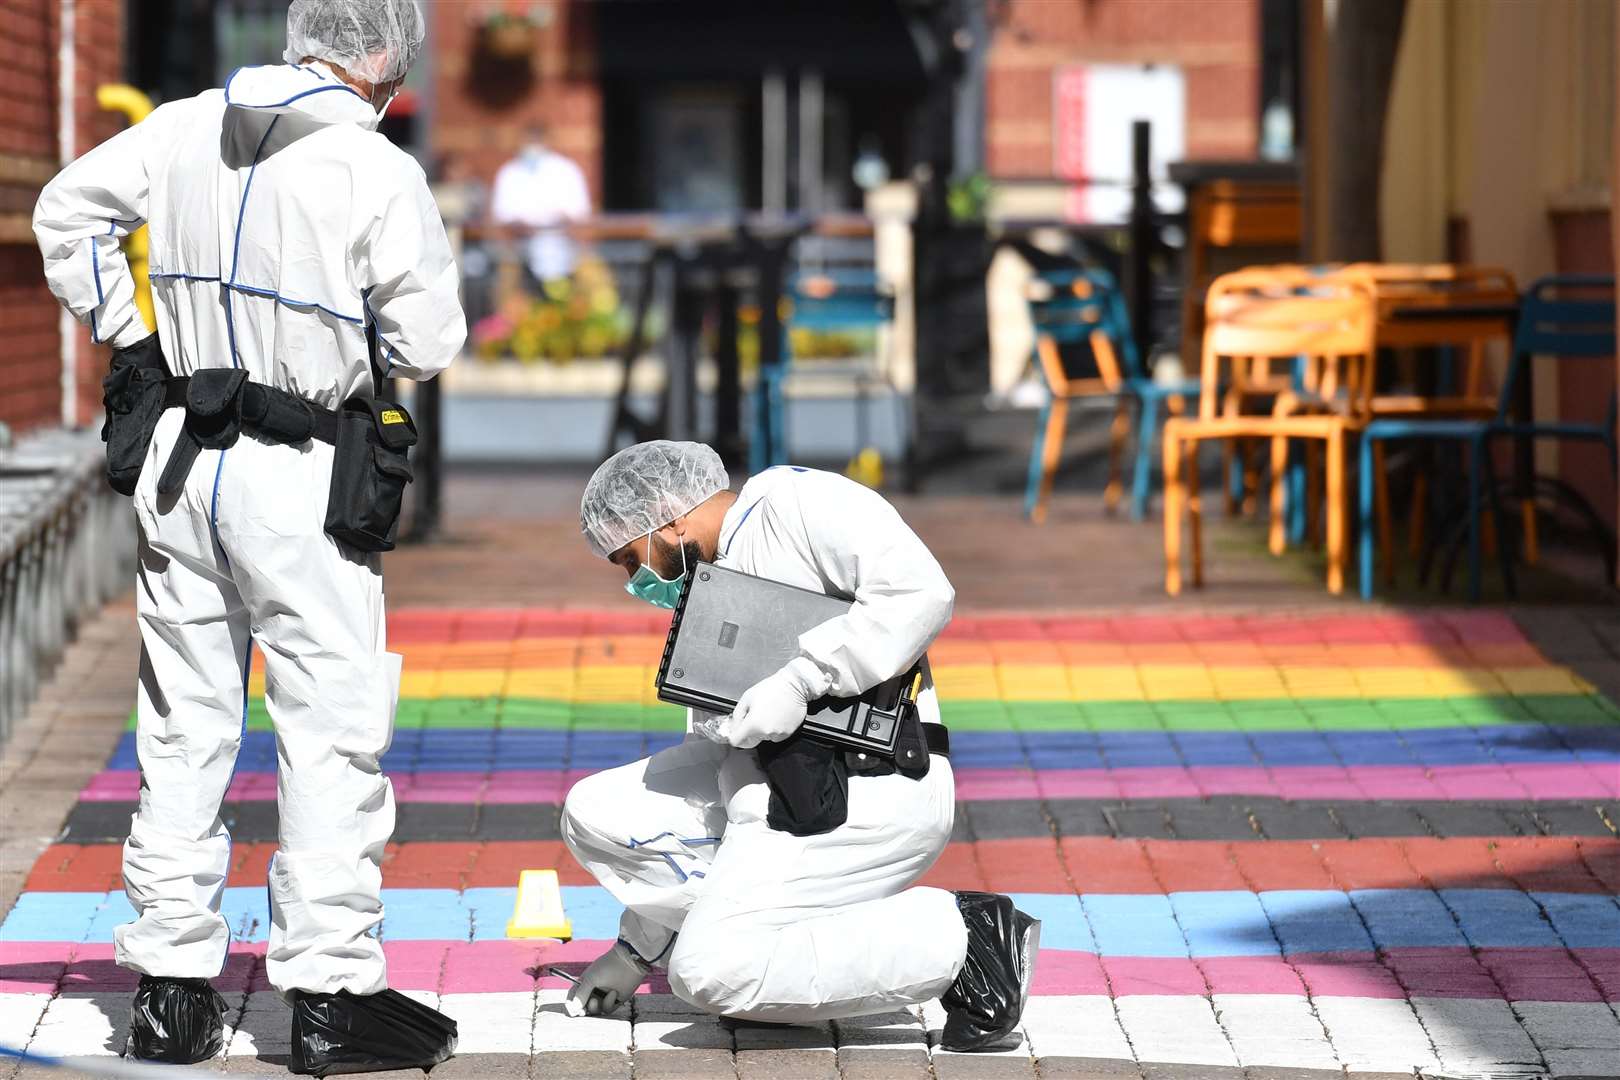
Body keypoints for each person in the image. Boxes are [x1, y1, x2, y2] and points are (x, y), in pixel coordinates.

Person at [33, 0, 464, 1071]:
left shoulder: (183, 124)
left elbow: (62, 213)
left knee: (184, 725)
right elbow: (428, 337)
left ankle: (171, 992)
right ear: (381, 66)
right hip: (303, 469)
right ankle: (327, 995)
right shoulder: (374, 168)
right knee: (328, 728)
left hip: (182, 453)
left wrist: (130, 336)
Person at [566, 441, 1040, 1050]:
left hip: (871, 787)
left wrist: (803, 677)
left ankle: (968, 942)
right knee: (594, 813)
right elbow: (711, 784)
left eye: (631, 557)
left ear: (668, 511)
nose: (636, 580)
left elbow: (919, 591)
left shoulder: (794, 502)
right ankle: (773, 955)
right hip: (775, 794)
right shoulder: (711, 595)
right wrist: (635, 950)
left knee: (707, 975)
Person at [490, 121, 591, 290]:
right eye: (528, 141)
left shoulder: (566, 170)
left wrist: (557, 220)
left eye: (536, 141)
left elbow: (579, 212)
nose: (532, 147)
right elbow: (502, 214)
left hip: (564, 255)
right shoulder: (510, 172)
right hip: (521, 255)